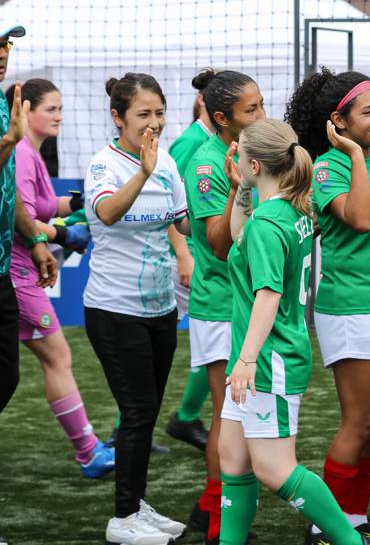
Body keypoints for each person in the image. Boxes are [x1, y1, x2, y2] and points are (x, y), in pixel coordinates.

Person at [217, 118, 370, 545]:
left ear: (253, 164)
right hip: (256, 356)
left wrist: (247, 359)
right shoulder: (289, 210)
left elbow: (267, 295)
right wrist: (242, 189)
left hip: (269, 359)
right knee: (232, 460)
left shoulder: (272, 221)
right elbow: (239, 240)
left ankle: (349, 540)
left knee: (275, 469)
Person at [285, 69, 370, 545]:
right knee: (361, 420)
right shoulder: (329, 167)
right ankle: (325, 526)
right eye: (367, 112)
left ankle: (354, 517)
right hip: (350, 305)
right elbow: (359, 219)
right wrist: (353, 153)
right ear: (340, 121)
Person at [84, 73, 189, 545]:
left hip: (160, 308)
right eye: (143, 115)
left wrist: (238, 189)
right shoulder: (104, 165)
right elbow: (106, 213)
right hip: (113, 308)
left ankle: (136, 504)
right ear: (117, 118)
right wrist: (142, 172)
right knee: (137, 410)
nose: (154, 124)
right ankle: (122, 518)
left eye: (160, 114)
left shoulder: (166, 162)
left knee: (145, 413)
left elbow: (184, 223)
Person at [5, 78, 114, 478]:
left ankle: (90, 448)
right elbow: (23, 219)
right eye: (51, 108)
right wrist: (65, 233)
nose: (59, 116)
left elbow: (46, 205)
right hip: (17, 274)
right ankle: (87, 452)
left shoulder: (30, 153)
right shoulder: (18, 151)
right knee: (59, 357)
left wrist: (83, 204)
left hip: (20, 273)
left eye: (60, 108)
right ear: (26, 110)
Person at [185, 70, 265, 545]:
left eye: (261, 104)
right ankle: (219, 526)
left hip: (239, 304)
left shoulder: (246, 151)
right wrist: (242, 188)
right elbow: (218, 245)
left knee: (239, 417)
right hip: (219, 306)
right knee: (226, 417)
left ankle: (208, 508)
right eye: (251, 109)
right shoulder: (207, 163)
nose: (261, 115)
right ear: (221, 118)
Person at [0, 24, 57, 418]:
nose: (3, 52)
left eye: (6, 43)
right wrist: (8, 141)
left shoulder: (3, 103)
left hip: (3, 267)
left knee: (7, 378)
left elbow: (8, 192)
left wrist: (37, 240)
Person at [165, 70, 216, 454]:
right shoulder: (191, 144)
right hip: (185, 259)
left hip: (200, 255)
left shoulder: (213, 141)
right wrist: (184, 254)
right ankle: (184, 417)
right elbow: (167, 201)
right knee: (211, 341)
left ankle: (186, 416)